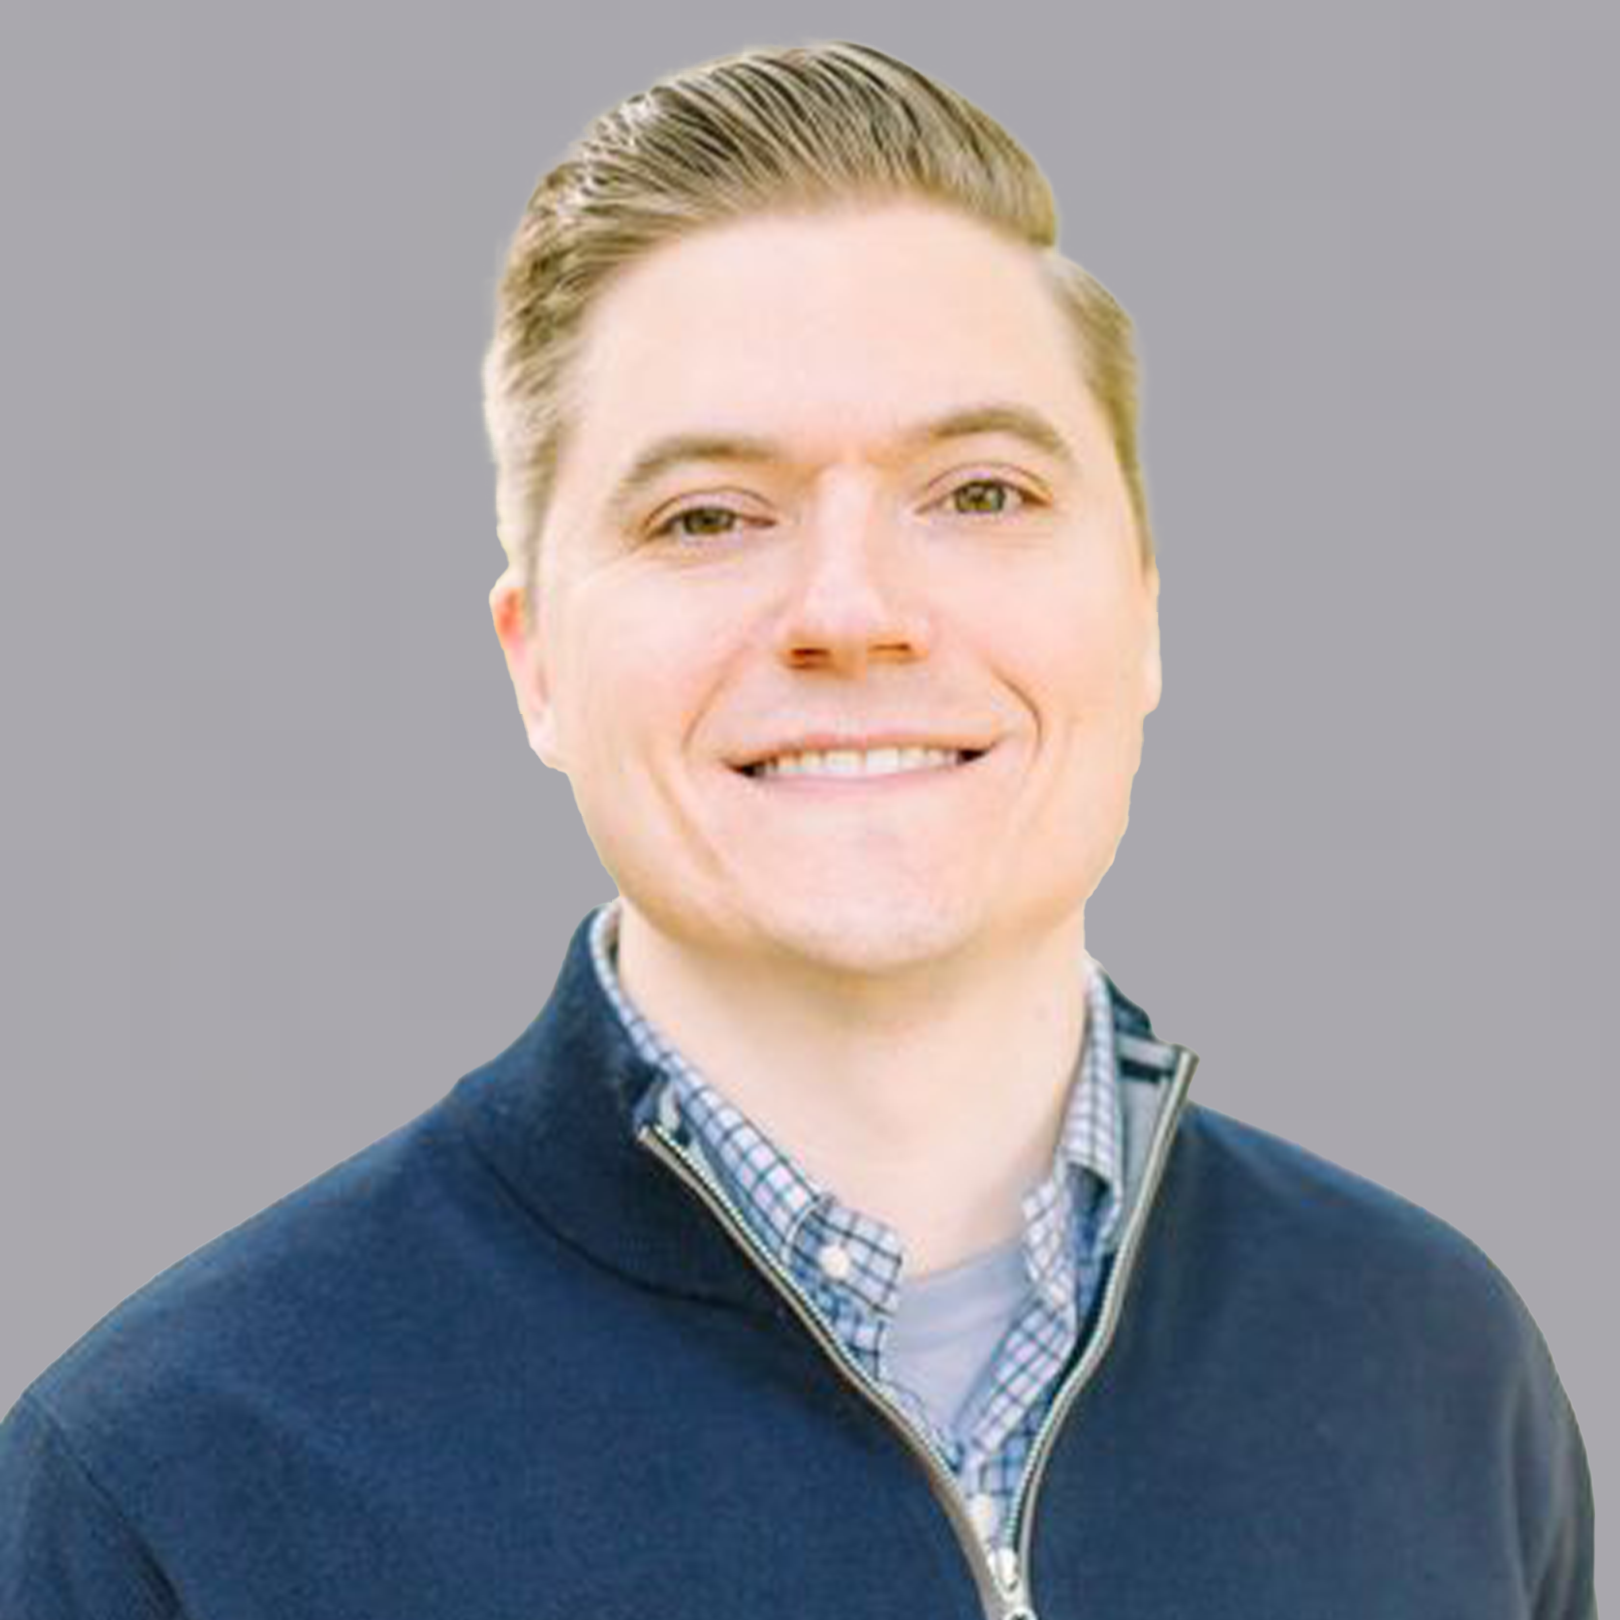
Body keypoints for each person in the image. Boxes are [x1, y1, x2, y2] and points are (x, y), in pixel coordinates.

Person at [1, 39, 1595, 1620]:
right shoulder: (169, 1485)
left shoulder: (1439, 1369)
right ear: (536, 662)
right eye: (707, 516)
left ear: (1145, 613)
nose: (854, 612)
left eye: (979, 493)